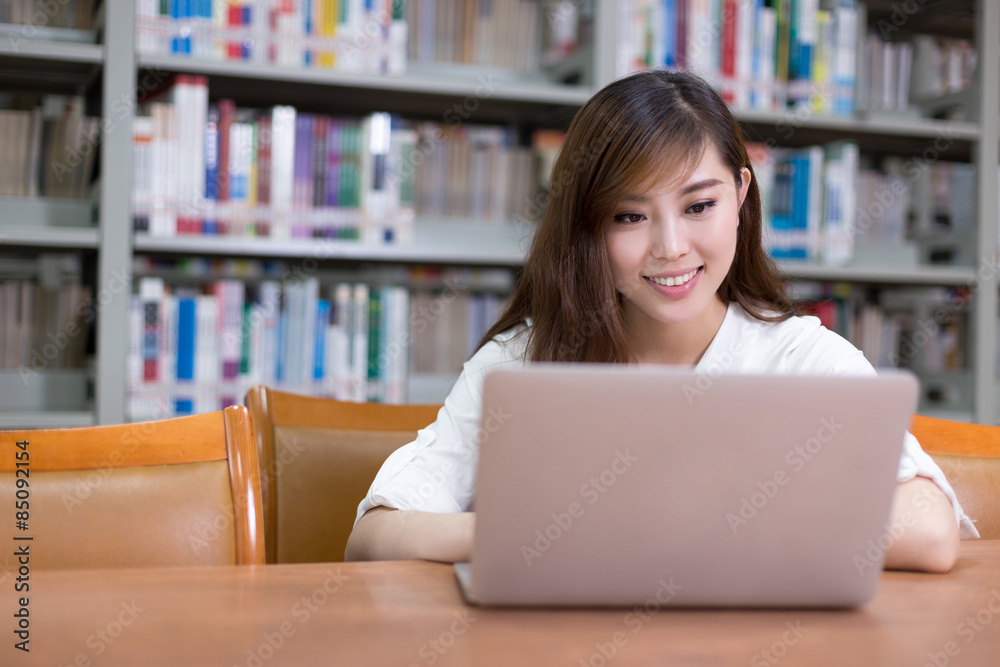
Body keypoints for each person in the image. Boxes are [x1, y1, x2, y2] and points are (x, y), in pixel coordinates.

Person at [345, 69, 977, 569]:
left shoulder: (804, 360)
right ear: (586, 227)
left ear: (742, 197)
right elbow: (376, 535)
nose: (670, 246)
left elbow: (926, 530)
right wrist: (532, 535)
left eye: (699, 204)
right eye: (629, 216)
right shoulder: (520, 363)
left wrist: (702, 528)